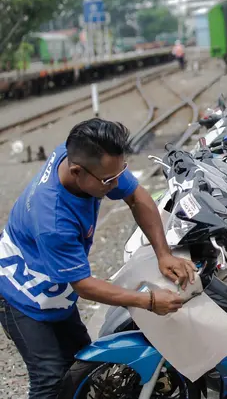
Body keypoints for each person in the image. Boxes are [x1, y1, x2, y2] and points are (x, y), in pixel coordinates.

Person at [0, 118, 196, 399]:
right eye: (108, 180)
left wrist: (163, 254)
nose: (116, 183)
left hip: (52, 283)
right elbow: (84, 285)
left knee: (83, 363)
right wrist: (149, 301)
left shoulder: (87, 161)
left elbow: (137, 197)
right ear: (77, 171)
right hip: (19, 292)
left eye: (120, 172)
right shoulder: (54, 218)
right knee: (50, 379)